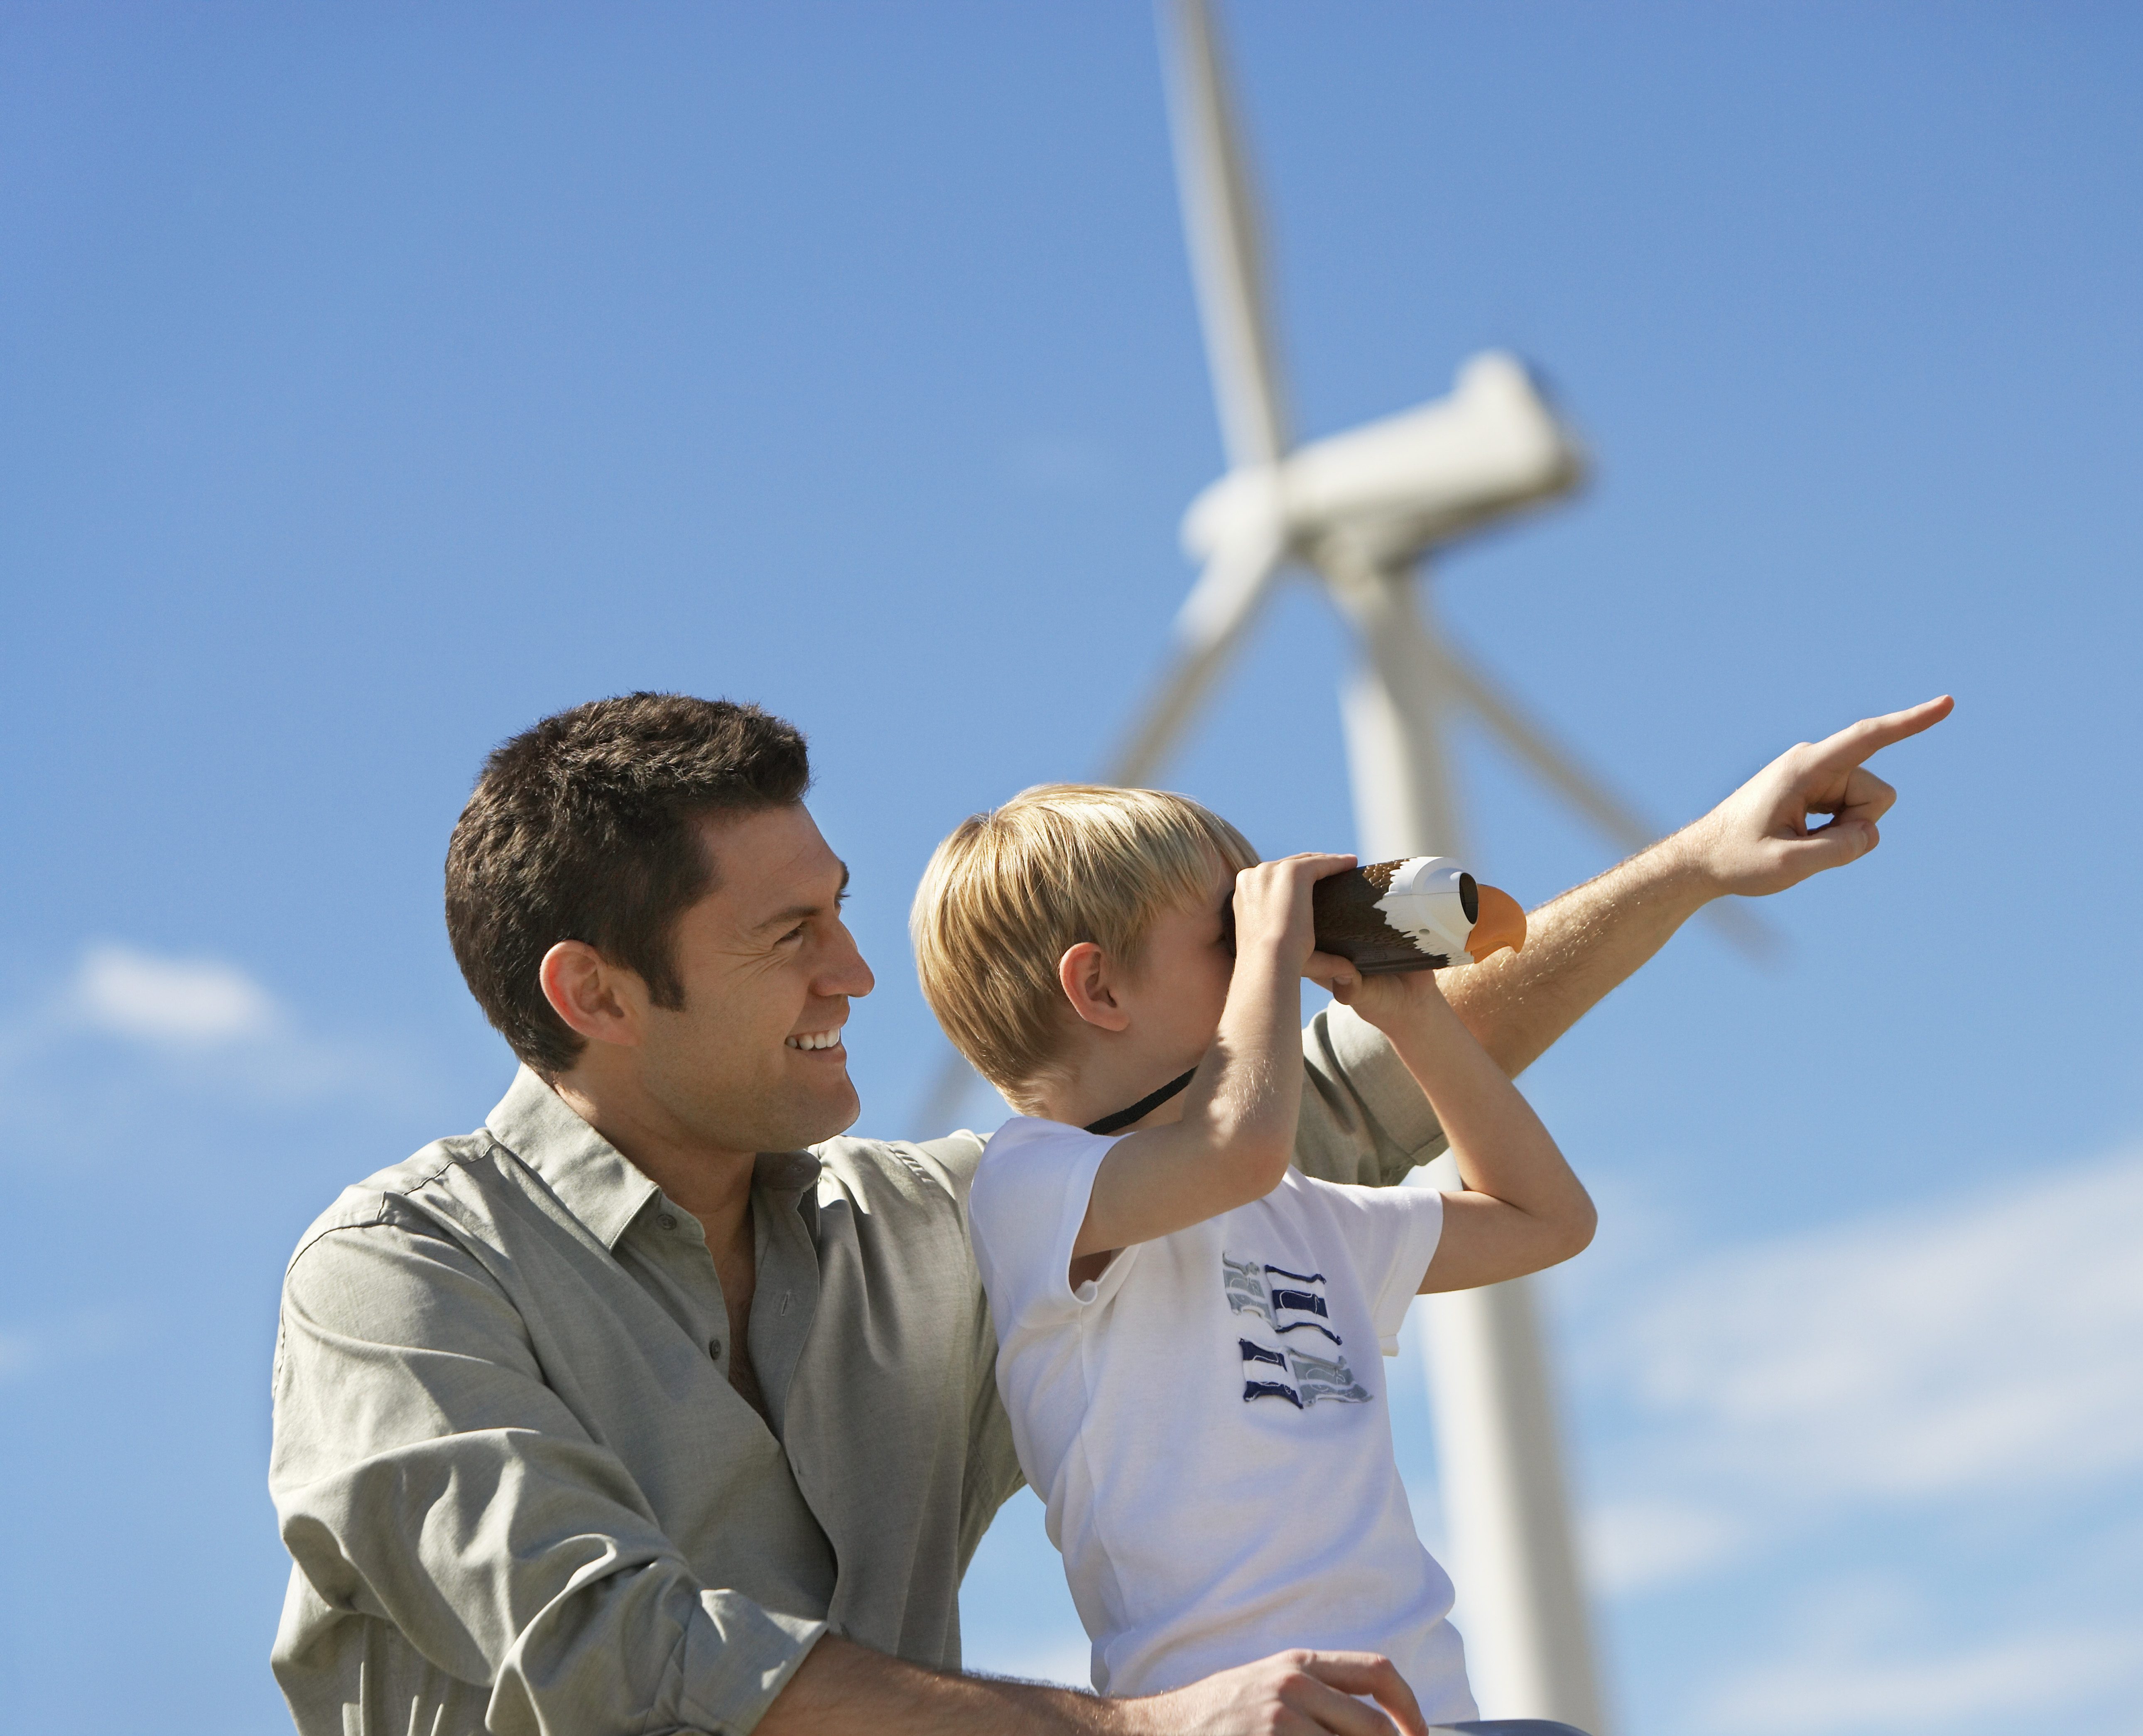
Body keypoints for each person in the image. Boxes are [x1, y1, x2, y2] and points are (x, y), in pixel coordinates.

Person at [267, 689, 1950, 1736]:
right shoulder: (403, 1272)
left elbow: (1333, 1104)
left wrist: (1684, 868)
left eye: (846, 915)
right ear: (596, 992)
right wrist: (1139, 1732)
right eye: (790, 938)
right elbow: (605, 1644)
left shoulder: (914, 1231)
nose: (859, 974)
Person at [912, 786, 1598, 1726]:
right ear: (1100, 990)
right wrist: (1273, 949)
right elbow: (1234, 1148)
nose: (1261, 957)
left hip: (1428, 1713)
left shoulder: (1293, 1211)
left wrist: (1412, 1015)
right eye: (1227, 935)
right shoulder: (1032, 1184)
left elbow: (1543, 1219)